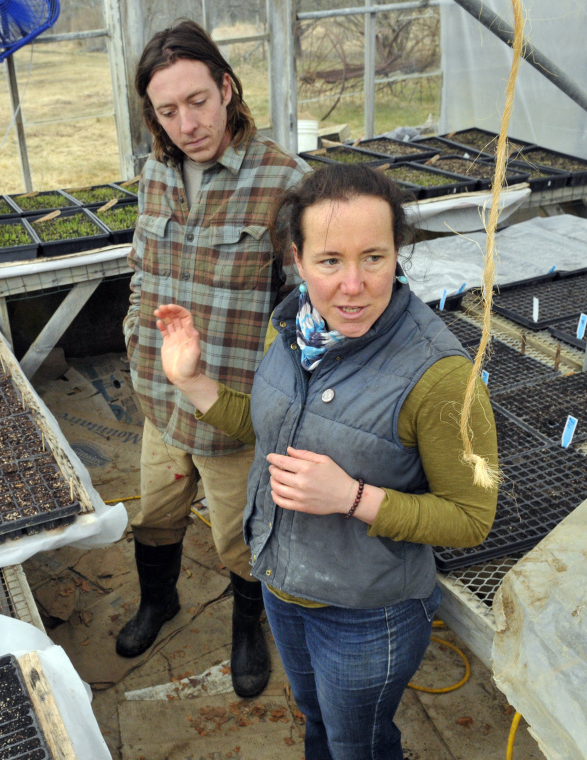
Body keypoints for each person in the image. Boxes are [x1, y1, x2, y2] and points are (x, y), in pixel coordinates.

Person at [154, 163, 498, 759]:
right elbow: (270, 429)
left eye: (374, 257)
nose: (353, 284)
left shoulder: (439, 376)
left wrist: (352, 498)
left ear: (398, 253)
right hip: (284, 587)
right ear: (298, 258)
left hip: (368, 614)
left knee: (358, 743)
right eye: (329, 260)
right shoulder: (292, 325)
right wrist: (194, 383)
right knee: (318, 724)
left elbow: (471, 517)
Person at [119, 18, 307, 699]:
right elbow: (142, 267)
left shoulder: (283, 181)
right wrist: (139, 339)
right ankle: (157, 602)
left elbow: (303, 310)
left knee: (237, 537)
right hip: (160, 398)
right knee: (155, 515)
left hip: (231, 412)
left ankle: (245, 629)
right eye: (167, 111)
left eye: (197, 100)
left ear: (226, 88)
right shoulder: (155, 172)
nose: (186, 123)